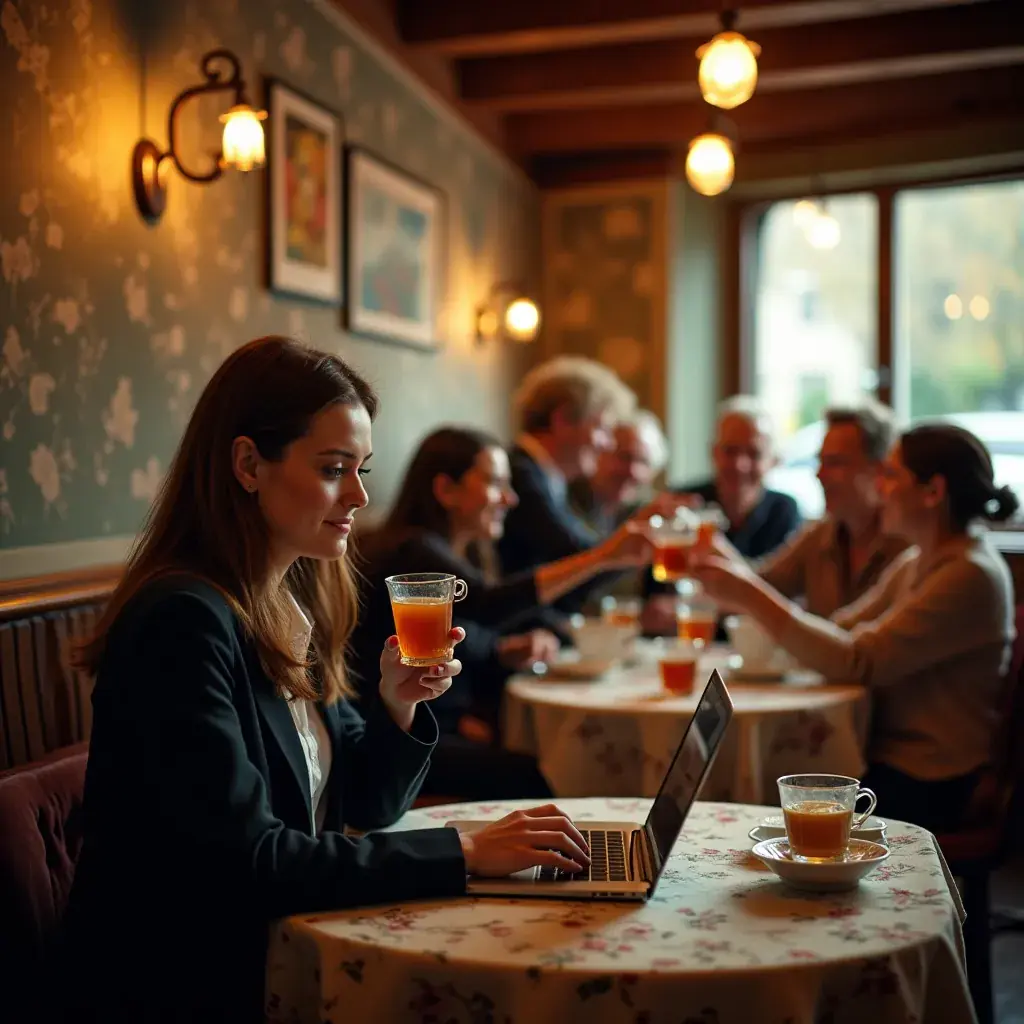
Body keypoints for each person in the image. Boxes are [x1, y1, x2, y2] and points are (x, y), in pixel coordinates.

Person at [60, 338, 592, 1023]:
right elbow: (250, 861)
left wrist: (398, 706)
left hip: (277, 944)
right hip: (183, 982)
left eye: (362, 469)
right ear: (249, 464)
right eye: (336, 468)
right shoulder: (182, 622)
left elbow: (364, 803)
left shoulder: (289, 603)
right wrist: (462, 849)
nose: (361, 495)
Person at [691, 422, 1018, 833]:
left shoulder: (971, 573)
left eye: (892, 475)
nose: (881, 488)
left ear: (933, 492)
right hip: (887, 757)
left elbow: (856, 661)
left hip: (934, 777)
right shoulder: (920, 560)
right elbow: (839, 630)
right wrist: (749, 592)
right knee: (760, 786)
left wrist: (750, 595)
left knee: (760, 802)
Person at [354, 425, 653, 799]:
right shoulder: (413, 552)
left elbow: (471, 630)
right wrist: (603, 556)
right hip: (392, 742)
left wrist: (502, 650)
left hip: (432, 727)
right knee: (536, 776)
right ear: (446, 490)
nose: (510, 499)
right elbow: (487, 602)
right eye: (495, 483)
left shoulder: (458, 552)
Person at [643, 396, 801, 632]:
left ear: (773, 460)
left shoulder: (784, 510)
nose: (739, 464)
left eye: (754, 453)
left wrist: (694, 608)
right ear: (713, 453)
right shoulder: (682, 502)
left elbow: (784, 600)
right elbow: (656, 602)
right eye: (730, 451)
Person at [740, 400, 910, 617]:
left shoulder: (909, 546)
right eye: (821, 462)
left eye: (835, 463)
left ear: (878, 470)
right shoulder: (821, 535)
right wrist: (708, 548)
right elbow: (761, 585)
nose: (819, 474)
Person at [498, 356, 637, 584]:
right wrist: (642, 530)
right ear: (562, 419)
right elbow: (575, 556)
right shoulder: (519, 474)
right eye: (601, 428)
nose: (608, 444)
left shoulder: (545, 476)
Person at [571, 409, 670, 533]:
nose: (632, 471)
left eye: (643, 462)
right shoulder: (565, 505)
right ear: (599, 453)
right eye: (624, 457)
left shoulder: (639, 515)